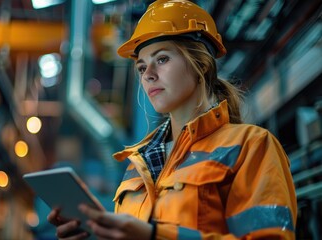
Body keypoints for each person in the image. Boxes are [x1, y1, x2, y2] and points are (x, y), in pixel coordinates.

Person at [48, 0, 297, 239]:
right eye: (142, 67)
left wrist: (155, 237)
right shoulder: (137, 165)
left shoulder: (251, 146)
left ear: (201, 63)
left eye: (162, 59)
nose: (149, 75)